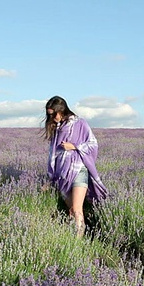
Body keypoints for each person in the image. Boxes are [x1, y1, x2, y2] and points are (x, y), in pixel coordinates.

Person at [42, 96, 108, 237]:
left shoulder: (80, 123)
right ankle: (75, 238)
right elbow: (52, 155)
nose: (52, 118)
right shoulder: (57, 128)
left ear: (62, 109)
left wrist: (73, 146)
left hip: (78, 171)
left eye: (54, 114)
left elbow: (92, 144)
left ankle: (77, 243)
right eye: (49, 115)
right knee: (72, 209)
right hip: (62, 175)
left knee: (77, 209)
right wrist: (50, 178)